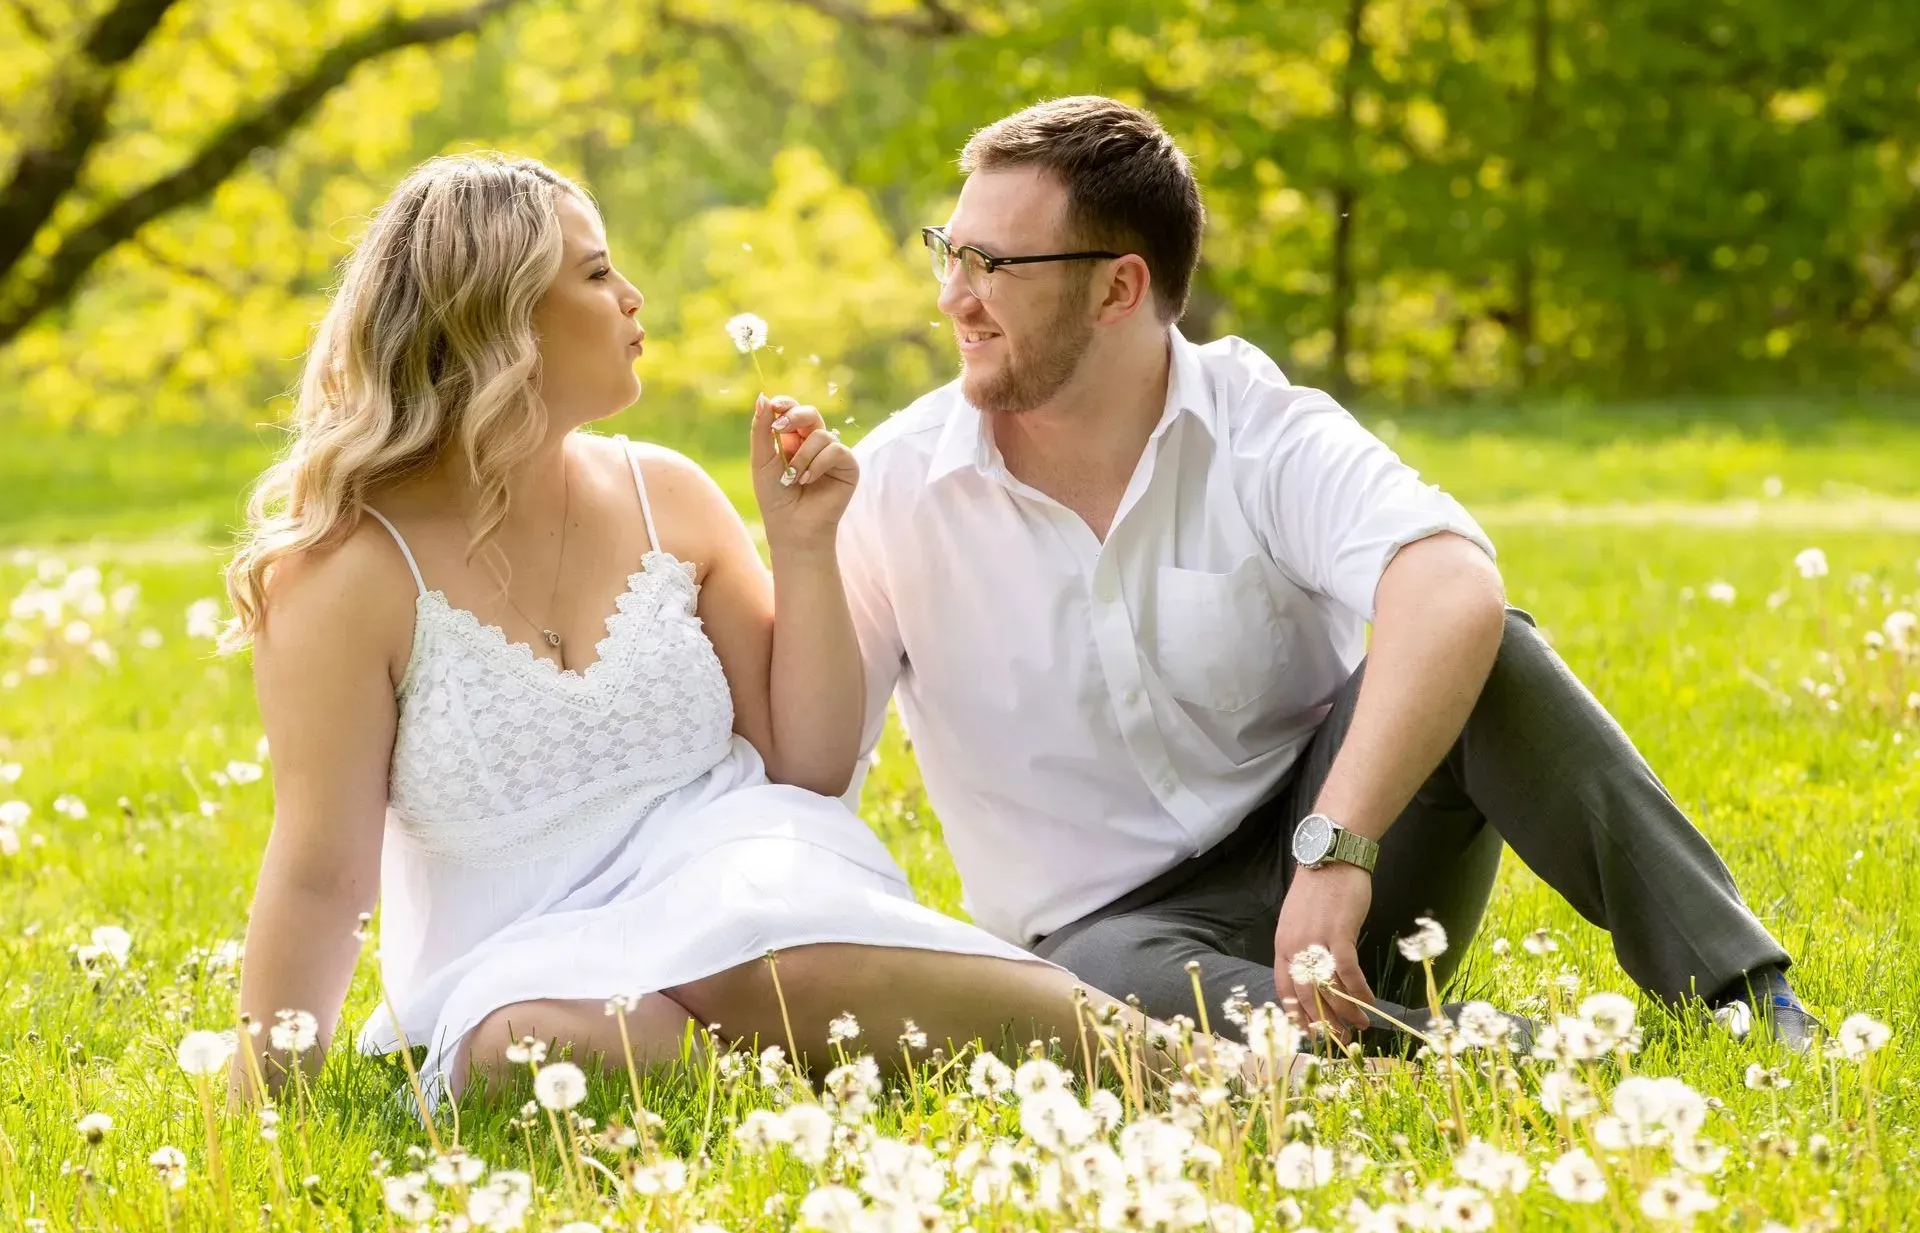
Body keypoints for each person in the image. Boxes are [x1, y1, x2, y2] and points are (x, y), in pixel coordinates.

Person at [221, 152, 1235, 1106]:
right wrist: (264, 1100)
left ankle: (1183, 1066)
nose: (633, 299)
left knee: (747, 944)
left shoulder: (667, 492)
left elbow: (809, 761)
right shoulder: (344, 572)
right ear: (501, 314)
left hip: (741, 876)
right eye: (597, 272)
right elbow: (322, 868)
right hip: (517, 950)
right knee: (521, 1045)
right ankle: (815, 1090)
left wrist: (804, 548)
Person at [836, 96, 1818, 1052]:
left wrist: (1338, 844)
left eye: (994, 265)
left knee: (1493, 653)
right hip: (1104, 935)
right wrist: (798, 551)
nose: (953, 295)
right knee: (1113, 992)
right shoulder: (893, 486)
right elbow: (807, 764)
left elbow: (1449, 581)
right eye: (950, 252)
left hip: (1342, 866)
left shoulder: (1258, 427)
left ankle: (1747, 998)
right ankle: (1549, 1059)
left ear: (1117, 288)